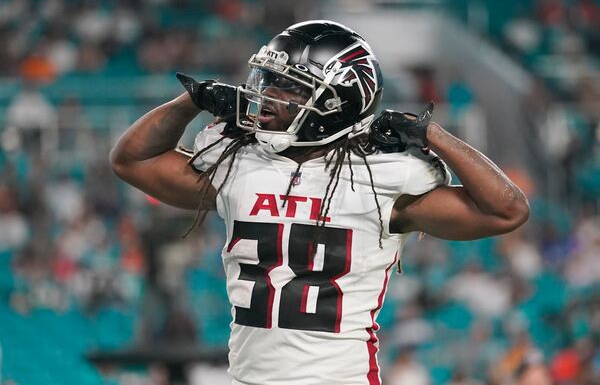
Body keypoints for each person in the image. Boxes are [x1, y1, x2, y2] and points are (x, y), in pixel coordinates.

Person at [110, 20, 529, 385]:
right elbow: (131, 161)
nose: (267, 95)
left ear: (335, 101)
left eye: (288, 87)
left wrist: (430, 133)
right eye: (267, 81)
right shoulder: (241, 161)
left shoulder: (381, 178)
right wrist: (195, 100)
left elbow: (507, 209)